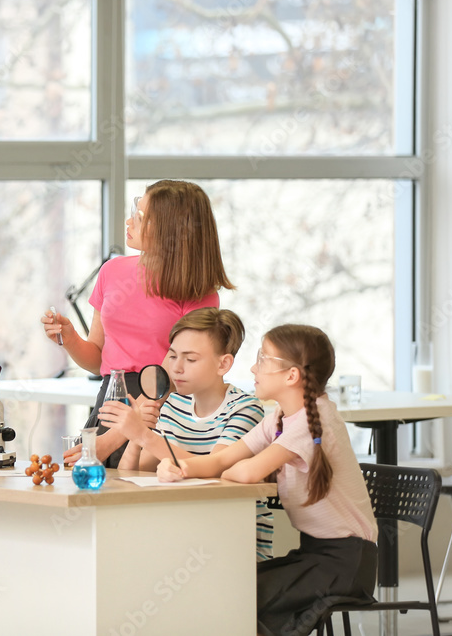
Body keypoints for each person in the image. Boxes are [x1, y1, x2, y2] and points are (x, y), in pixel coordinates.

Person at [156, 324, 378, 636]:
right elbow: (222, 459)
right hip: (313, 555)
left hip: (344, 564)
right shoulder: (276, 418)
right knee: (229, 588)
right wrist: (179, 468)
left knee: (239, 597)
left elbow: (245, 471)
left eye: (263, 359)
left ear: (291, 375)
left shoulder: (315, 420)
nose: (252, 367)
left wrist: (227, 468)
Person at [41, 180, 233, 468]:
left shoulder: (199, 293)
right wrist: (70, 339)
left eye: (141, 217)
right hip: (109, 401)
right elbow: (98, 360)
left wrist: (110, 440)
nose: (129, 221)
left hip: (162, 412)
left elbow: (171, 379)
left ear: (172, 230)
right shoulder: (112, 271)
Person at [98, 308, 272, 559]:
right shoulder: (173, 404)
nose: (177, 368)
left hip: (234, 540)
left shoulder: (245, 409)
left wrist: (145, 436)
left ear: (223, 364)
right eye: (172, 356)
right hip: (182, 531)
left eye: (190, 360)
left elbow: (216, 471)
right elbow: (135, 476)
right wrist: (137, 433)